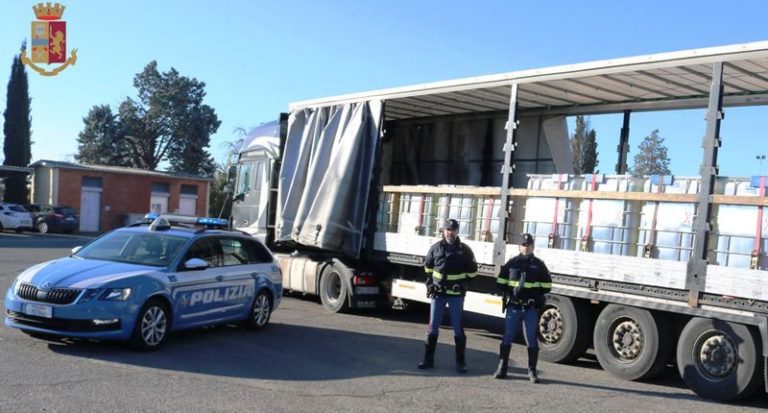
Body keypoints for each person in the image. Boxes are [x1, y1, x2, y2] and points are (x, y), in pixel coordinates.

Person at [418, 218, 478, 373]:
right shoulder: (435, 248)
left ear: (457, 231)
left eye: (453, 230)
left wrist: (462, 283)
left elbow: (472, 272)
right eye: (448, 229)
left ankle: (460, 363)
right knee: (433, 327)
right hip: (438, 294)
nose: (450, 232)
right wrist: (430, 285)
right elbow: (428, 269)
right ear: (443, 231)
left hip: (456, 295)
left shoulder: (465, 250)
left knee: (458, 328)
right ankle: (427, 360)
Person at [493, 233, 552, 383]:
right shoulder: (512, 263)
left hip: (530, 308)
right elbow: (500, 281)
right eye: (524, 245)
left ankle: (532, 371)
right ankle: (502, 368)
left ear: (533, 247)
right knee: (508, 336)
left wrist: (536, 295)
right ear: (519, 247)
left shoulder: (539, 265)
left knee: (531, 339)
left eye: (529, 245)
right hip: (514, 306)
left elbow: (547, 285)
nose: (526, 248)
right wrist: (508, 291)